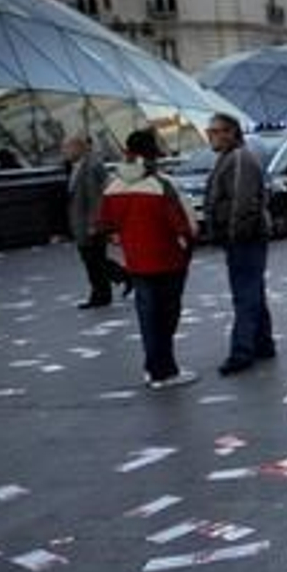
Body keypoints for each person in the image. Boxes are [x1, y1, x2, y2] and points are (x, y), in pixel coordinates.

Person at [96, 130, 197, 389]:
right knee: (168, 314)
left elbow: (104, 224)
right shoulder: (162, 184)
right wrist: (188, 246)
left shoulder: (113, 186)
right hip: (169, 260)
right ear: (153, 155)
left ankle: (154, 368)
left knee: (148, 316)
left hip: (136, 261)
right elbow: (184, 226)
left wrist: (122, 239)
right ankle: (164, 370)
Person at [202, 113, 276, 376]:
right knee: (252, 289)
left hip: (245, 238)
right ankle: (263, 342)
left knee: (244, 293)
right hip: (244, 238)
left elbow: (242, 203)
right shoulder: (230, 158)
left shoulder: (239, 159)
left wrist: (233, 234)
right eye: (209, 131)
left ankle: (241, 351)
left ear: (231, 133)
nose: (210, 136)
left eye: (215, 131)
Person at [64, 136, 128, 308]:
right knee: (94, 261)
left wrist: (94, 223)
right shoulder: (76, 166)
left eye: (67, 148)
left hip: (90, 224)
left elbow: (96, 198)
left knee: (94, 261)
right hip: (82, 223)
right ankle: (118, 282)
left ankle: (102, 295)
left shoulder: (91, 166)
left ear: (79, 148)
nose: (64, 152)